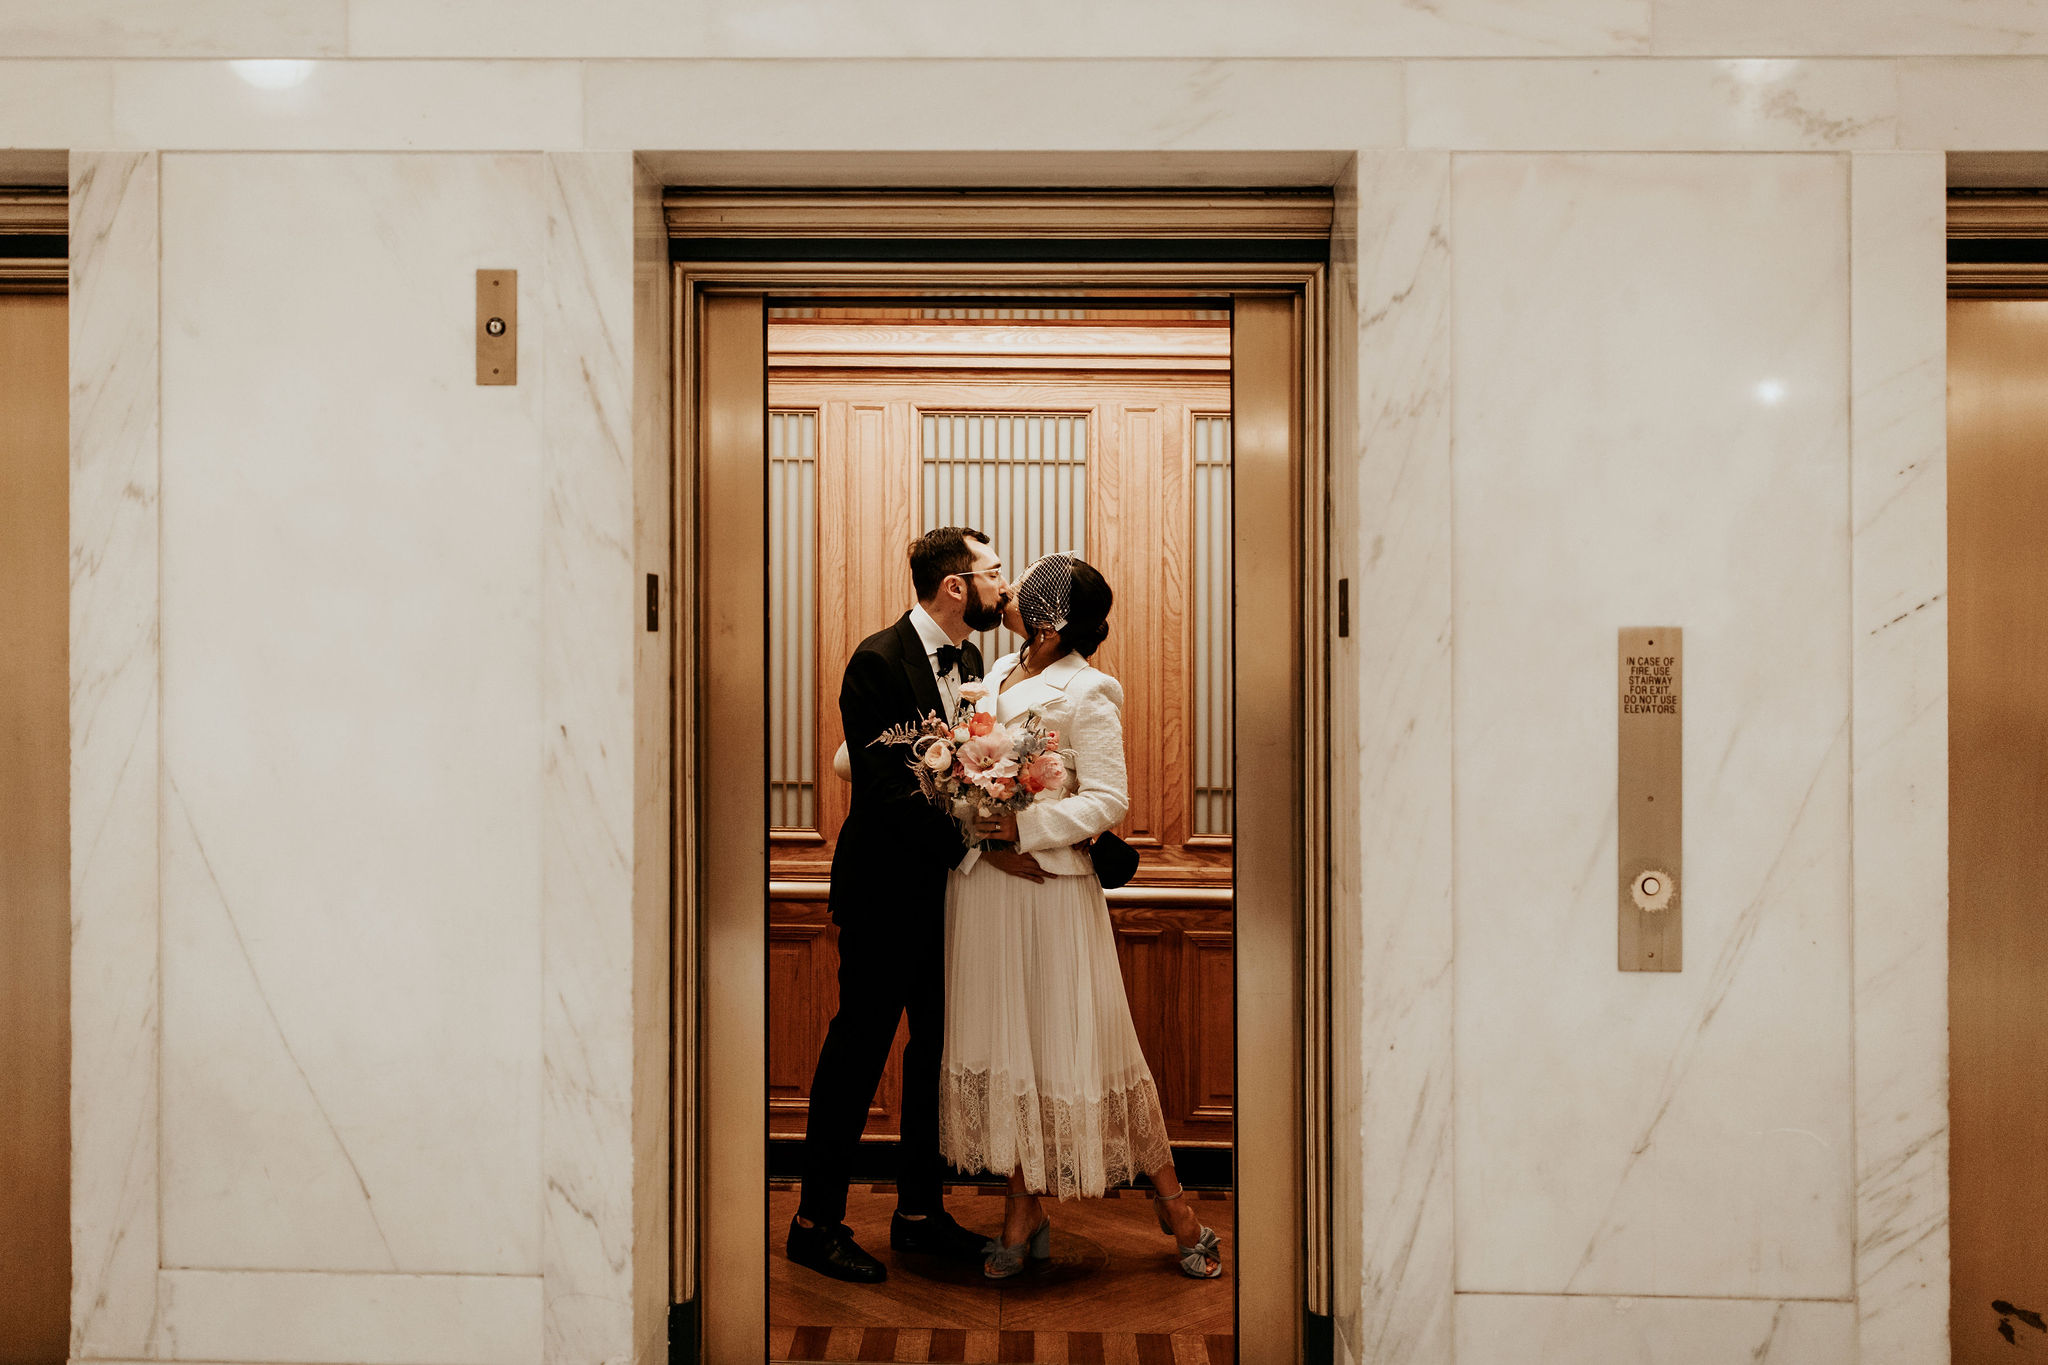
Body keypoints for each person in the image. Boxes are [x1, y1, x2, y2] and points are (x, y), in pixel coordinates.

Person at [940, 553, 1224, 1281]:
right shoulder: (997, 674)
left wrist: (1021, 830)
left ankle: (1175, 1206)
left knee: (1086, 1042)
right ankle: (1022, 1202)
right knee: (1013, 1048)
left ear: (1051, 614)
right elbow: (965, 777)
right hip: (986, 891)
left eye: (1031, 584)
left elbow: (1107, 799)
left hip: (1052, 892)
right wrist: (981, 831)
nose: (1014, 587)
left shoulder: (1089, 690)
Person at [785, 526, 1013, 1283]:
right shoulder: (876, 660)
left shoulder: (974, 660)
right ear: (956, 586)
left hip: (952, 904)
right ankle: (814, 1223)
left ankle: (918, 1213)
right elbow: (883, 791)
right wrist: (968, 844)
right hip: (886, 893)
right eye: (992, 571)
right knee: (856, 1055)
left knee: (933, 1060)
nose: (1000, 584)